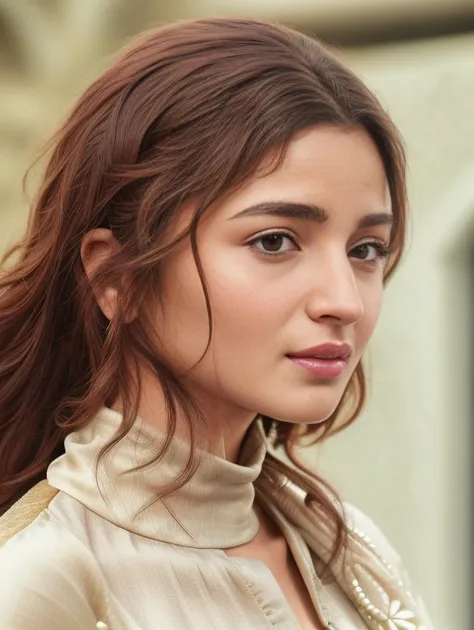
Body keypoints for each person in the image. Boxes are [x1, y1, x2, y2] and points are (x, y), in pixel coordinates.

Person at [0, 17, 432, 630]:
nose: (345, 301)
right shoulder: (45, 582)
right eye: (275, 240)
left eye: (366, 249)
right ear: (116, 277)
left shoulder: (349, 547)